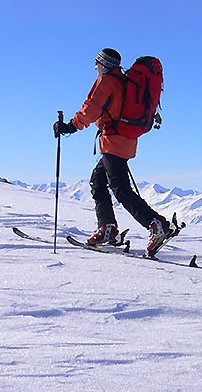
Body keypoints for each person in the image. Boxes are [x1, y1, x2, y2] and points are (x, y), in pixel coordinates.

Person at [53, 47, 174, 254]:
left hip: (113, 140)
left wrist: (70, 126)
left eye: (96, 63)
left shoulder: (106, 81)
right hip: (125, 139)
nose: (95, 67)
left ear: (103, 64)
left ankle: (157, 225)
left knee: (120, 189)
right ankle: (107, 228)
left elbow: (91, 108)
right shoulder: (124, 81)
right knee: (98, 180)